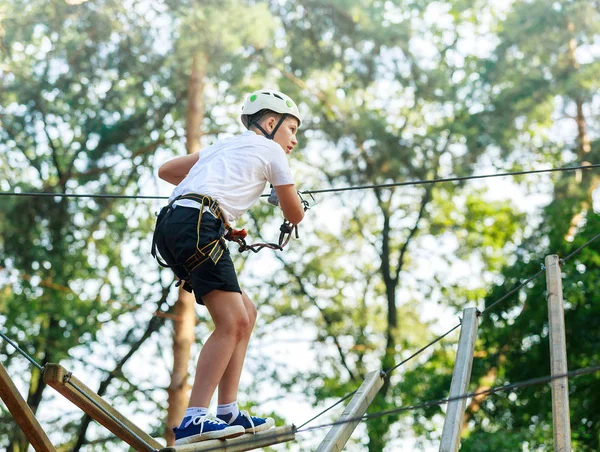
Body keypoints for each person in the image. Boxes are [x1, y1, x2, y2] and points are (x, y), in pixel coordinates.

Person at [153, 89, 305, 445]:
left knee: (245, 313)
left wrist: (216, 211)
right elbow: (294, 213)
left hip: (177, 225)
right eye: (292, 130)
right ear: (271, 123)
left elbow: (166, 171)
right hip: (197, 224)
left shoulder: (224, 147)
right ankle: (194, 419)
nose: (294, 140)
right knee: (233, 321)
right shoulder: (271, 151)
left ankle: (228, 411)